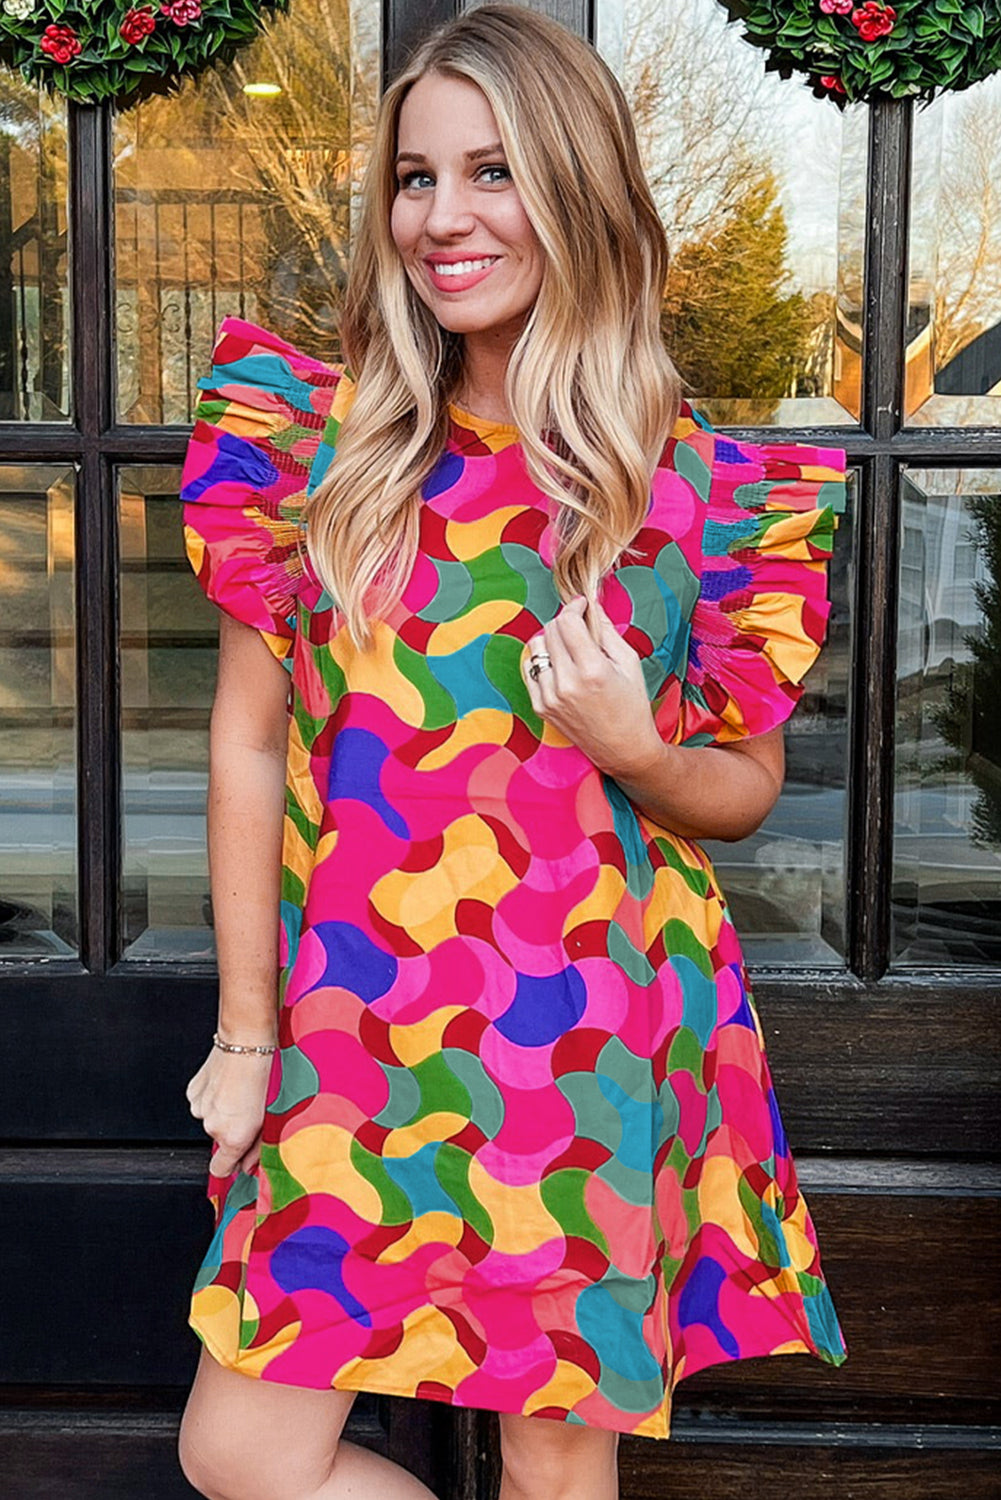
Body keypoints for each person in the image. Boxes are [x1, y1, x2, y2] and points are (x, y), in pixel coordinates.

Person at [176, 6, 848, 1499]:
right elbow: (244, 744)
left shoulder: (698, 494)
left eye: (491, 172)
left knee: (554, 1473)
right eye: (414, 179)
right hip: (352, 1040)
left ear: (580, 191)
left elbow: (737, 795)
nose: (442, 216)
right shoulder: (323, 450)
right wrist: (245, 1036)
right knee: (239, 1454)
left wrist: (635, 745)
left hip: (586, 1047)